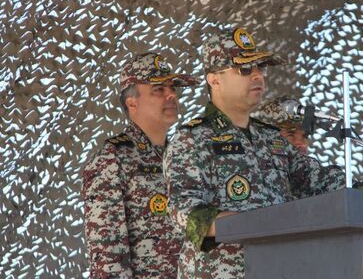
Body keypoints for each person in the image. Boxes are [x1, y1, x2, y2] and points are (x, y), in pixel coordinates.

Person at [164, 28, 336, 278]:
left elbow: (316, 181)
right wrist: (246, 223)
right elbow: (183, 209)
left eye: (260, 68)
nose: (257, 76)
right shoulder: (191, 139)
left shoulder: (272, 138)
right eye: (245, 69)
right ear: (215, 80)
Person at [82, 53, 198, 278]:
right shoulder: (113, 159)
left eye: (173, 88)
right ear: (132, 103)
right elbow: (108, 257)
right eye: (159, 90)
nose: (172, 95)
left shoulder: (185, 156)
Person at [251, 95, 344, 194]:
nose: (301, 143)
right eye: (290, 134)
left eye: (305, 136)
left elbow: (328, 181)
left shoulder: (308, 175)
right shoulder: (252, 167)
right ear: (267, 136)